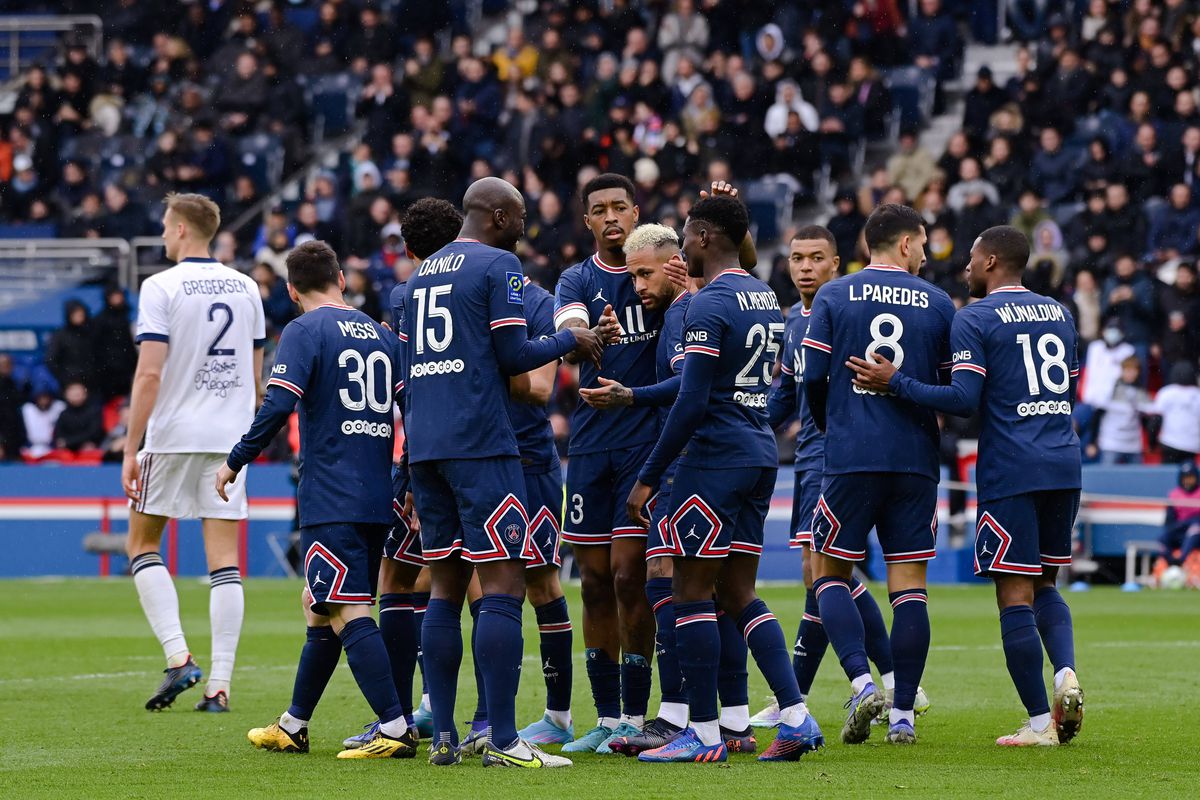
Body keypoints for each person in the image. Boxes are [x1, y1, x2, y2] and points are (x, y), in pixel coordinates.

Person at [848, 226, 1086, 747]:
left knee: (1014, 595)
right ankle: (1065, 672)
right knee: (1047, 581)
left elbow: (964, 399)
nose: (965, 268)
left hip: (1012, 467)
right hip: (1064, 461)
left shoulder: (974, 318)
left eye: (972, 260)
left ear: (993, 261)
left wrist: (897, 382)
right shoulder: (1060, 313)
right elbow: (1067, 383)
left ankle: (1040, 722)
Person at [401, 177, 608, 768]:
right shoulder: (498, 267)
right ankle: (504, 740)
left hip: (426, 447)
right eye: (518, 216)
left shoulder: (420, 277)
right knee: (503, 587)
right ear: (495, 216)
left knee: (442, 588)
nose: (525, 225)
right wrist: (572, 337)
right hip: (483, 446)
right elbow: (515, 358)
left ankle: (443, 736)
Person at [618, 195, 818, 764]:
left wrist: (649, 477)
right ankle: (797, 716)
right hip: (759, 453)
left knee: (690, 593)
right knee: (737, 592)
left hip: (714, 458)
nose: (681, 245)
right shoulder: (763, 295)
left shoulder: (709, 306)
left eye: (685, 234)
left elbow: (690, 401)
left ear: (704, 236)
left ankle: (703, 736)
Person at [220, 240, 414, 759]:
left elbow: (279, 403)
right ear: (342, 280)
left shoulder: (304, 331)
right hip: (378, 491)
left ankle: (395, 727)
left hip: (331, 493)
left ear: (291, 290)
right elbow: (411, 408)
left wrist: (236, 459)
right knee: (318, 604)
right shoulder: (381, 334)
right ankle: (293, 723)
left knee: (346, 608)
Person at [575, 216, 755, 756]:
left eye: (645, 275)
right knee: (718, 592)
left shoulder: (688, 311)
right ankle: (736, 718)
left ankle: (683, 717)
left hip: (694, 459)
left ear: (678, 262)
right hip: (732, 453)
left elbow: (688, 389)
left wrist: (631, 397)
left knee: (674, 586)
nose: (637, 287)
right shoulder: (704, 299)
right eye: (631, 278)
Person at [750, 227, 930, 729]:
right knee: (824, 578)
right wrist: (746, 424)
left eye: (816, 258)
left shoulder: (846, 310)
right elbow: (786, 395)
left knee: (824, 576)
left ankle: (850, 688)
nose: (804, 267)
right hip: (811, 459)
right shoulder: (791, 321)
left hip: (843, 458)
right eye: (796, 258)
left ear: (836, 264)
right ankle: (881, 686)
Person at [802, 203, 956, 745]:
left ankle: (864, 683)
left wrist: (834, 426)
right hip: (915, 460)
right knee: (910, 589)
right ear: (908, 243)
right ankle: (904, 716)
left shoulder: (833, 294)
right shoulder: (938, 303)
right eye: (925, 242)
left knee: (829, 573)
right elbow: (950, 391)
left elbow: (814, 379)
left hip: (851, 455)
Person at [122, 193, 266, 713]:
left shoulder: (160, 286)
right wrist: (248, 439)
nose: (163, 235)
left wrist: (130, 446)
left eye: (165, 226)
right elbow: (255, 377)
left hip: (174, 433)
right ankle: (220, 688)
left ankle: (180, 657)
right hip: (229, 439)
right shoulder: (248, 287)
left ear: (182, 229)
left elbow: (150, 372)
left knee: (141, 544)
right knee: (224, 561)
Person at [342, 197, 465, 750]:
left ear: (409, 250)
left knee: (399, 577)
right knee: (479, 582)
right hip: (488, 449)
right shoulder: (487, 279)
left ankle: (400, 718)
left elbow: (412, 386)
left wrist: (411, 464)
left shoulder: (408, 296)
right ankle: (478, 719)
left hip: (425, 451)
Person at [553, 173, 662, 754]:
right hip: (592, 446)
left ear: (636, 211)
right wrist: (587, 335)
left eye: (621, 206)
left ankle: (638, 716)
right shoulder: (578, 276)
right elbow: (567, 325)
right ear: (588, 220)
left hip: (645, 445)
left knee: (629, 576)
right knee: (593, 582)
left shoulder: (661, 273)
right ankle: (607, 716)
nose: (612, 217)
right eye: (601, 210)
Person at [1093, 356, 1151, 464]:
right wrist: (1092, 442)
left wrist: (1150, 444)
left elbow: (1146, 418)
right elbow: (1097, 415)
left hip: (1133, 445)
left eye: (1134, 370)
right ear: (1122, 371)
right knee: (1107, 478)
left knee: (1137, 478)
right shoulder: (1110, 389)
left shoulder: (1141, 391)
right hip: (1111, 443)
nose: (1131, 374)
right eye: (1128, 370)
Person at [1155, 462, 1200, 587]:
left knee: (1195, 528)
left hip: (1196, 533)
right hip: (1179, 530)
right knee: (1161, 539)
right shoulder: (1174, 495)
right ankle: (1171, 563)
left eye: (1191, 477)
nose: (1188, 481)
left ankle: (1181, 559)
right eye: (1185, 477)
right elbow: (1169, 522)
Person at [1149, 363, 1200, 463]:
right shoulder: (1198, 394)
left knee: (1168, 477)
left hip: (1170, 443)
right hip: (1191, 444)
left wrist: (1152, 443)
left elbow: (1155, 420)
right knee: (1188, 477)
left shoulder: (1166, 392)